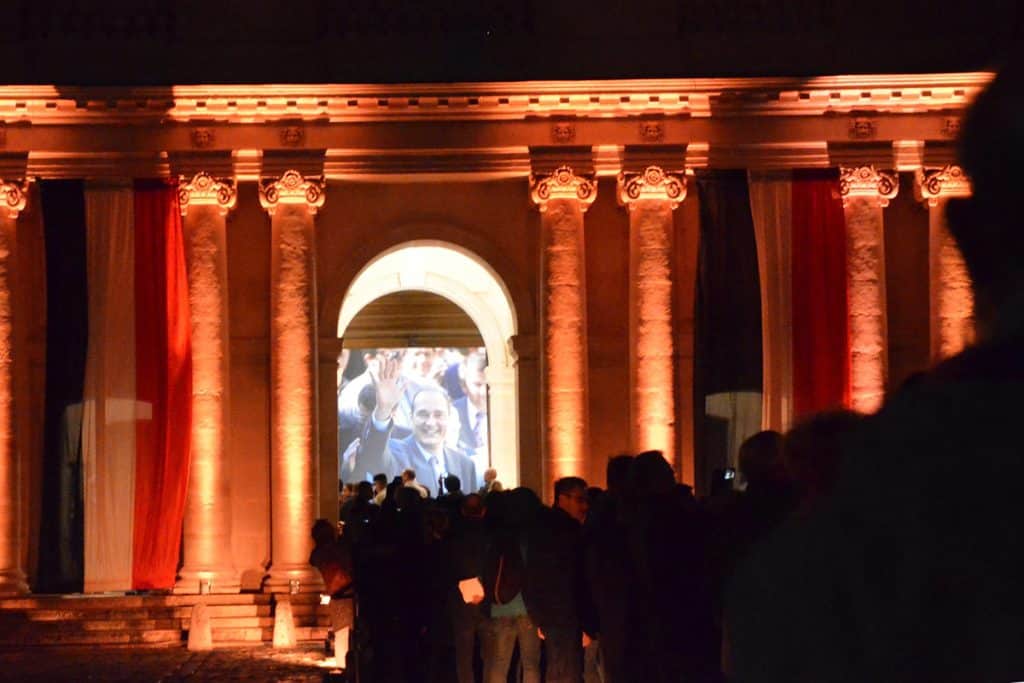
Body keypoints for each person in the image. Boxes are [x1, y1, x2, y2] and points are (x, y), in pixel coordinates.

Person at [349, 354, 477, 498]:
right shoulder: (395, 452)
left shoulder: (466, 464)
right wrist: (383, 410)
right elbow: (374, 454)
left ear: (449, 418)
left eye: (438, 415)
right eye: (423, 414)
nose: (430, 422)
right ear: (411, 418)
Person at [524, 476, 595, 683]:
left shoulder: (543, 528)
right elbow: (577, 580)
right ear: (562, 499)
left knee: (559, 669)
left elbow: (532, 576)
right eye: (579, 499)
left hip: (553, 616)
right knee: (567, 671)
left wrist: (538, 616)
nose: (584, 506)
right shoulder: (569, 531)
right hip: (566, 616)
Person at [451, 349, 489, 482]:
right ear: (464, 386)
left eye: (488, 384)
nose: (484, 392)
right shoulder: (451, 413)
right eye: (477, 385)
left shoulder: (508, 413)